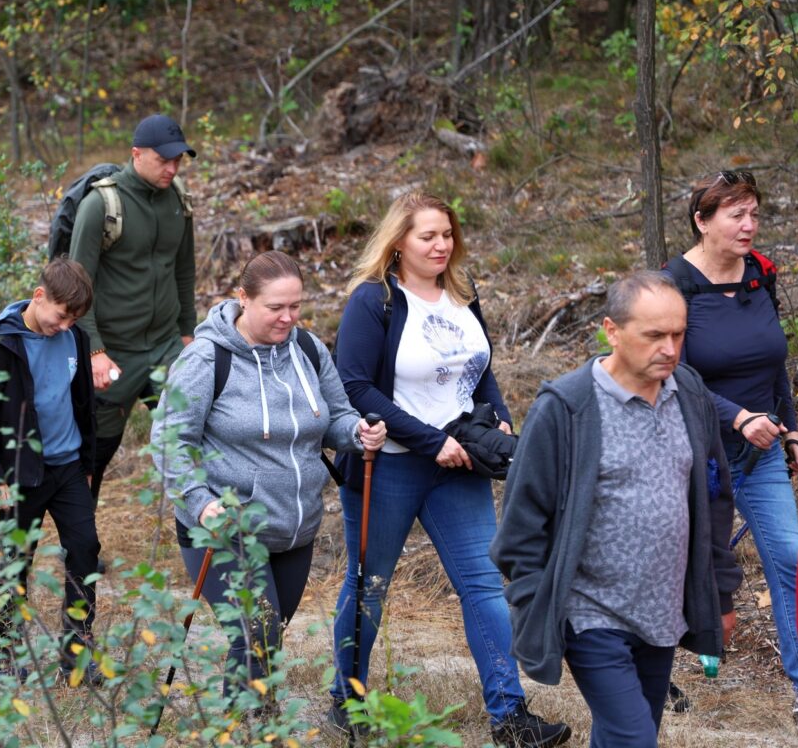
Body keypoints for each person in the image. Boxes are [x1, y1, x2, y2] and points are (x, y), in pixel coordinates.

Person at [330, 192, 568, 747]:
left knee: (485, 584)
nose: (441, 245)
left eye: (447, 235)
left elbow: (480, 370)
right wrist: (428, 440)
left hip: (461, 464)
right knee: (370, 585)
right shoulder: (374, 301)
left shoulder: (462, 293)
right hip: (386, 465)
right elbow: (354, 385)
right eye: (427, 236)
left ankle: (510, 717)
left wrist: (501, 421)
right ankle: (348, 697)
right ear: (398, 242)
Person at [492, 272, 740, 748]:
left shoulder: (688, 393)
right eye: (654, 335)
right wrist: (535, 607)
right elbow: (521, 524)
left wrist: (721, 593)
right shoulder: (566, 408)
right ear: (612, 330)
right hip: (591, 614)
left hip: (663, 612)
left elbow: (714, 498)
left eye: (678, 334)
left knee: (625, 733)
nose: (669, 348)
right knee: (634, 738)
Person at [151, 251, 384, 702]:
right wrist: (201, 503)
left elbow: (335, 417)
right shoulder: (206, 359)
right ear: (243, 298)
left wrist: (358, 432)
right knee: (256, 635)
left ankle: (253, 720)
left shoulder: (309, 350)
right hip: (224, 528)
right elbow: (169, 440)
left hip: (293, 526)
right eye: (275, 307)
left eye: (295, 306)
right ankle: (250, 728)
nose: (288, 317)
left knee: (267, 639)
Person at [662, 169, 798, 727]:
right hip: (691, 453)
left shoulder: (761, 274)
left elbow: (775, 365)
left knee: (792, 561)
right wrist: (736, 416)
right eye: (735, 215)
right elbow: (670, 372)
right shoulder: (673, 285)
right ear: (702, 221)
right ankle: (639, 665)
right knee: (683, 569)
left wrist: (788, 428)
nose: (749, 226)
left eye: (754, 214)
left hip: (760, 451)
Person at [0, 258, 100, 678]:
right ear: (39, 296)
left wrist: (87, 462)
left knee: (85, 549)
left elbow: (84, 403)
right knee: (16, 561)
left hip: (68, 467)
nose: (64, 325)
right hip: (21, 473)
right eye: (61, 315)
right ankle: (4, 655)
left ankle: (77, 653)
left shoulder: (75, 339)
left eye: (73, 319)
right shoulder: (3, 344)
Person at [71, 114, 197, 505]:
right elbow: (77, 286)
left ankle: (200, 536)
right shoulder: (100, 206)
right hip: (113, 351)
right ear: (136, 154)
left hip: (165, 346)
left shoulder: (177, 199)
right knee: (95, 454)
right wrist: (93, 349)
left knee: (187, 440)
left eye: (177, 160)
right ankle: (80, 552)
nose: (172, 168)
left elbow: (184, 271)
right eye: (163, 160)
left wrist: (188, 332)